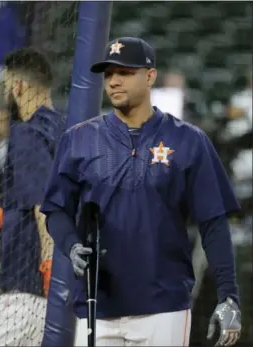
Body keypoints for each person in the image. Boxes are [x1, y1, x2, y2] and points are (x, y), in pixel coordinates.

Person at [40, 37, 242, 346]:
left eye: (125, 72)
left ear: (150, 76)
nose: (114, 81)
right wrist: (70, 245)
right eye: (108, 74)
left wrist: (228, 297)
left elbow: (213, 222)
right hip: (97, 305)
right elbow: (56, 209)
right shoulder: (78, 140)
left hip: (163, 308)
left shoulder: (189, 140)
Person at [0, 47, 64, 347]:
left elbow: (44, 205)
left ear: (18, 86)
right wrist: (4, 217)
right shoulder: (64, 130)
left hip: (27, 288)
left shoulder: (25, 133)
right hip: (58, 296)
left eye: (5, 87)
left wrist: (48, 262)